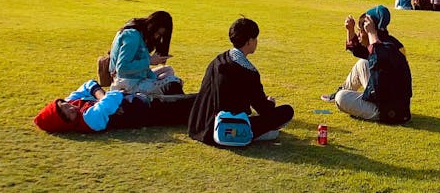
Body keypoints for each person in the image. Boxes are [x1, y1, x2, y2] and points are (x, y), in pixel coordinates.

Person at [187, 17, 295, 145]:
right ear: (249, 41)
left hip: (200, 125)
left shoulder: (217, 60)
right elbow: (264, 110)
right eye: (255, 39)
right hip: (225, 129)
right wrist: (270, 103)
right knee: (286, 111)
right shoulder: (248, 71)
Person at [327, 6, 413, 124]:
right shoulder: (387, 42)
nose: (358, 34)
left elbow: (378, 57)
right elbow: (360, 51)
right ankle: (343, 90)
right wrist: (350, 30)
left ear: (369, 30)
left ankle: (342, 95)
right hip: (385, 98)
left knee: (341, 98)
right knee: (362, 64)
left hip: (389, 111)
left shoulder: (387, 48)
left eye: (360, 31)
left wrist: (372, 32)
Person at [33, 79, 197, 134]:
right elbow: (114, 96)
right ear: (66, 123)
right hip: (152, 110)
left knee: (174, 87)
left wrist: (101, 96)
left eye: (64, 105)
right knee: (197, 101)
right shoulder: (90, 121)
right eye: (66, 113)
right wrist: (106, 97)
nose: (70, 108)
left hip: (143, 98)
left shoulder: (73, 103)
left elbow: (90, 84)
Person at [107, 11, 182, 96]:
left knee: (168, 70)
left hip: (135, 78)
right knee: (173, 82)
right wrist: (149, 61)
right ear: (152, 26)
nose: (157, 37)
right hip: (127, 83)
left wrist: (153, 77)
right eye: (158, 33)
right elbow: (122, 68)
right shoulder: (132, 36)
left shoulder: (139, 34)